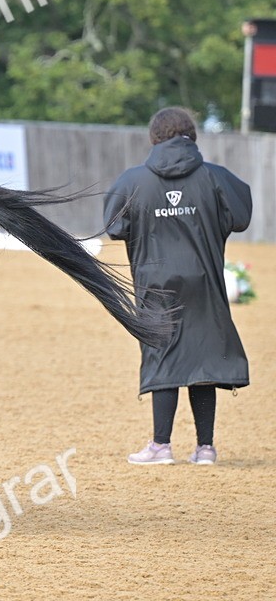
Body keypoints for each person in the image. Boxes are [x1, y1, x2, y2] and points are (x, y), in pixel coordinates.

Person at [103, 107, 252, 466]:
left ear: (154, 137)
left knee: (162, 355)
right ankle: (205, 448)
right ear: (191, 135)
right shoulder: (217, 178)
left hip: (156, 284)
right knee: (202, 357)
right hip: (205, 282)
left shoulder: (132, 181)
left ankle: (160, 446)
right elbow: (241, 217)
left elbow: (113, 226)